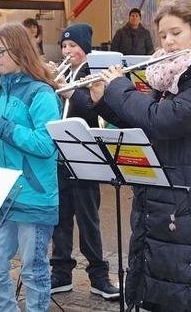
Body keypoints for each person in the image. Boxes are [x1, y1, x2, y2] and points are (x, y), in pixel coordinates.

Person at [89, 0, 191, 311]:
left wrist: (119, 88)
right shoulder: (167, 76)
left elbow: (164, 120)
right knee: (155, 291)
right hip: (159, 195)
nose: (168, 42)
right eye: (163, 36)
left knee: (186, 293)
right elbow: (144, 123)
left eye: (176, 33)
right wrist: (104, 101)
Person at [0, 22, 61, 311]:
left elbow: (46, 145)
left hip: (33, 194)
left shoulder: (41, 94)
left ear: (20, 51)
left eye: (0, 52)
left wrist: (1, 126)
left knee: (33, 272)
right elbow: (1, 145)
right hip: (2, 194)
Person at [50, 23, 119, 299]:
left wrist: (68, 90)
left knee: (88, 219)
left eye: (73, 46)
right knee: (61, 218)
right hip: (60, 155)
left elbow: (95, 107)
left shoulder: (94, 73)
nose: (68, 51)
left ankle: (98, 276)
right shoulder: (64, 73)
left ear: (85, 49)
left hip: (85, 155)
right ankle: (61, 273)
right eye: (64, 46)